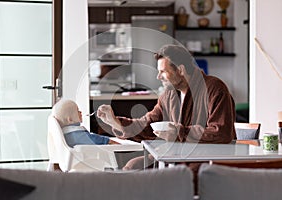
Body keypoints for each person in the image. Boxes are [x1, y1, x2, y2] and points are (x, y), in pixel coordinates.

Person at [97, 44, 236, 193]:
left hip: (205, 160)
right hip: (172, 157)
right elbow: (148, 124)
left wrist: (179, 132)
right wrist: (115, 122)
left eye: (163, 71)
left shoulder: (215, 88)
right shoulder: (168, 95)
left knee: (180, 179)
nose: (158, 76)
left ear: (180, 70)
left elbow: (221, 132)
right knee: (133, 167)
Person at [52, 99, 119, 147]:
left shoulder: (67, 133)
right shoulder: (75, 134)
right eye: (77, 111)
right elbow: (92, 139)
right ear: (70, 120)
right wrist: (108, 141)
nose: (80, 112)